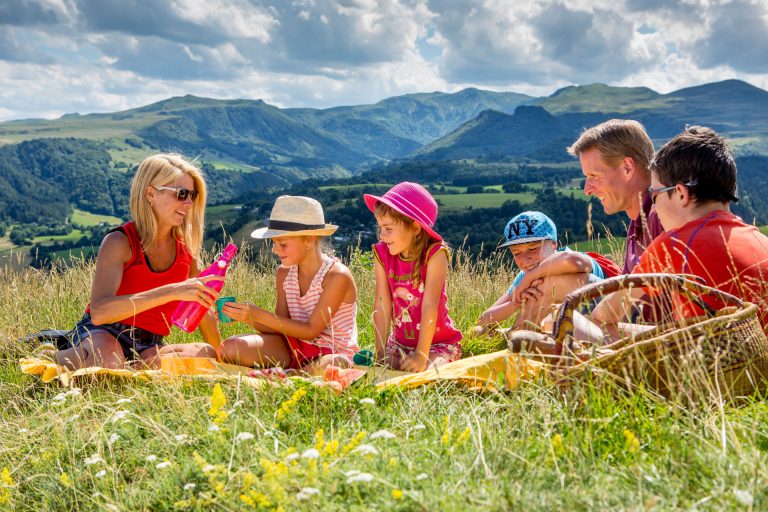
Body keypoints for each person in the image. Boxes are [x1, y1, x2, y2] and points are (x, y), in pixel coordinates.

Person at [590, 126, 768, 340]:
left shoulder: (674, 244)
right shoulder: (761, 241)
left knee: (587, 325)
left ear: (681, 194)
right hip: (756, 355)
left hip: (709, 357)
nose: (654, 207)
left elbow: (604, 314)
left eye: (654, 194)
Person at [53, 154, 221, 370]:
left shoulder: (186, 249)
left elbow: (201, 305)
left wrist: (221, 355)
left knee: (205, 354)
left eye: (193, 195)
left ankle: (125, 368)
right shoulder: (120, 241)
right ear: (151, 193)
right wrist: (172, 291)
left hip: (150, 344)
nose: (188, 203)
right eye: (181, 194)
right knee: (108, 360)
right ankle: (51, 355)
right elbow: (100, 312)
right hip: (103, 331)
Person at [219, 195, 359, 374]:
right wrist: (247, 317)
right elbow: (280, 327)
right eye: (274, 243)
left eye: (283, 244)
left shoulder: (337, 276)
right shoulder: (284, 274)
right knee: (229, 348)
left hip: (331, 351)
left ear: (310, 239)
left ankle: (293, 375)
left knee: (334, 363)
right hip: (293, 346)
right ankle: (296, 373)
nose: (275, 250)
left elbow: (311, 331)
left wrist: (258, 313)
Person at [365, 182, 462, 373]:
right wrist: (380, 352)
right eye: (380, 228)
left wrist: (421, 355)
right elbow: (382, 304)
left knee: (431, 372)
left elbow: (430, 306)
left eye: (388, 228)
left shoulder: (435, 254)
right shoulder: (381, 253)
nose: (382, 235)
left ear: (415, 227)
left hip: (437, 344)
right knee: (380, 369)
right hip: (399, 344)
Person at [474, 211, 608, 335]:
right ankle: (517, 337)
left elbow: (576, 261)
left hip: (597, 321)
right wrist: (515, 303)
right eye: (516, 253)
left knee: (543, 286)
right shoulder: (524, 275)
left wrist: (529, 278)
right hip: (556, 328)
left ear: (553, 244)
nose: (525, 259)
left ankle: (517, 339)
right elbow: (482, 321)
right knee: (478, 331)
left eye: (533, 249)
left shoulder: (565, 258)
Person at [568, 119, 664, 274]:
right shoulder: (638, 220)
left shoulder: (661, 218)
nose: (587, 190)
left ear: (627, 168)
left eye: (594, 176)